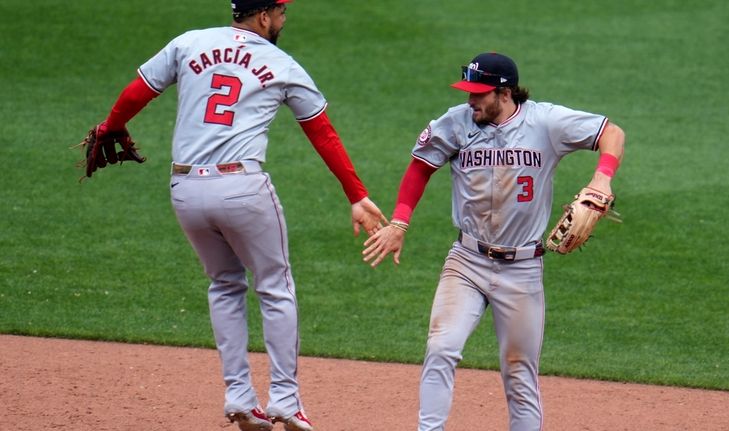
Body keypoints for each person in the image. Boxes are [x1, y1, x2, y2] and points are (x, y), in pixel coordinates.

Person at [89, 1, 386, 430]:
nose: (284, 21)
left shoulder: (189, 42)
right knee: (276, 286)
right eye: (281, 13)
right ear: (264, 16)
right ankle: (285, 398)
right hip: (242, 188)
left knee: (224, 285)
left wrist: (112, 126)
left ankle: (240, 397)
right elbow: (322, 131)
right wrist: (356, 194)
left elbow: (138, 90)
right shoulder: (281, 63)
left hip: (186, 190)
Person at [362, 52, 625, 431]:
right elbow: (421, 167)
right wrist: (400, 222)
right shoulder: (456, 123)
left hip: (522, 270)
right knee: (440, 348)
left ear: (505, 94)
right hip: (466, 262)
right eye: (468, 92)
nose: (471, 101)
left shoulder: (545, 122)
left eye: (479, 93)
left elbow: (611, 133)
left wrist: (603, 178)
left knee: (520, 374)